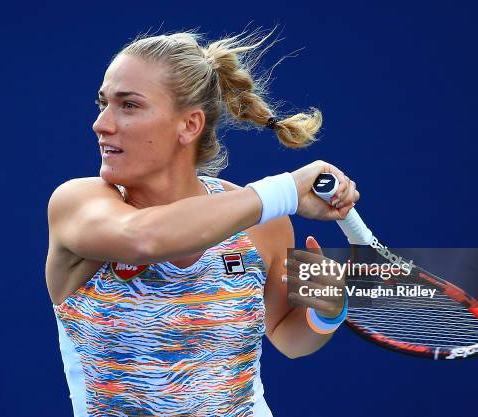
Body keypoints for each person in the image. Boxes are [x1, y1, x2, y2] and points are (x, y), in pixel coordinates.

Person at [45, 29, 359, 417]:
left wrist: (326, 306)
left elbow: (288, 336)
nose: (102, 123)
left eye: (128, 105)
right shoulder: (77, 204)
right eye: (102, 103)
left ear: (189, 125)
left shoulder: (263, 224)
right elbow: (143, 237)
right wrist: (287, 191)